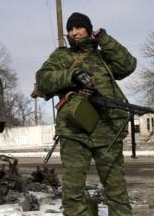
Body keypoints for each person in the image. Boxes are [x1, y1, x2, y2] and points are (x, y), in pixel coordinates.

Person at [35, 12, 136, 216]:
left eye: (79, 27)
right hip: (74, 130)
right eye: (71, 29)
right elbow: (43, 78)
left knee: (116, 192)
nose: (74, 32)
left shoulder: (103, 55)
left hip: (108, 130)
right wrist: (70, 76)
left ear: (89, 30)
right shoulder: (62, 55)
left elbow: (128, 65)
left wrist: (105, 39)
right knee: (73, 193)